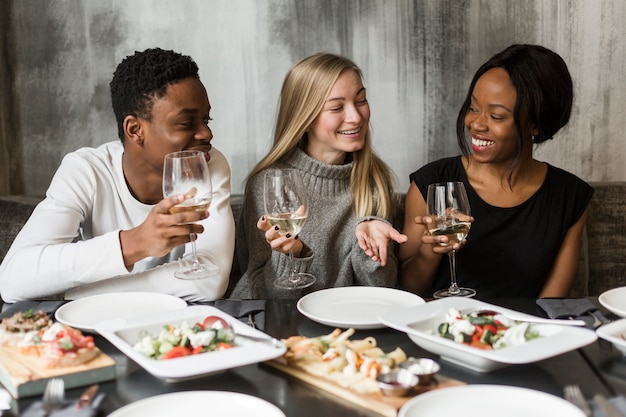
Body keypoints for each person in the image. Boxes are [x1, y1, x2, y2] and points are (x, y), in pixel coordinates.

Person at [0, 48, 234, 303]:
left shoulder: (209, 165)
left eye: (206, 119)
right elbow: (12, 281)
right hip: (95, 326)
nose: (206, 134)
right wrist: (134, 243)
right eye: (187, 123)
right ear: (135, 129)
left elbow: (209, 281)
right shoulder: (86, 170)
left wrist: (82, 294)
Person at [398, 44, 593, 299]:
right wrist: (430, 251)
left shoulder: (569, 197)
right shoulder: (433, 183)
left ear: (535, 124)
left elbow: (551, 304)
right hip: (443, 332)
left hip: (524, 334)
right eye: (473, 107)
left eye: (497, 116)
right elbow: (406, 291)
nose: (475, 124)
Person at [230, 52, 403, 299]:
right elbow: (258, 292)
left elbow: (383, 292)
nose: (356, 117)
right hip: (284, 327)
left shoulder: (374, 181)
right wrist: (292, 256)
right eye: (336, 107)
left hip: (347, 329)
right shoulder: (269, 185)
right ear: (305, 118)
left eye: (361, 100)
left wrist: (372, 253)